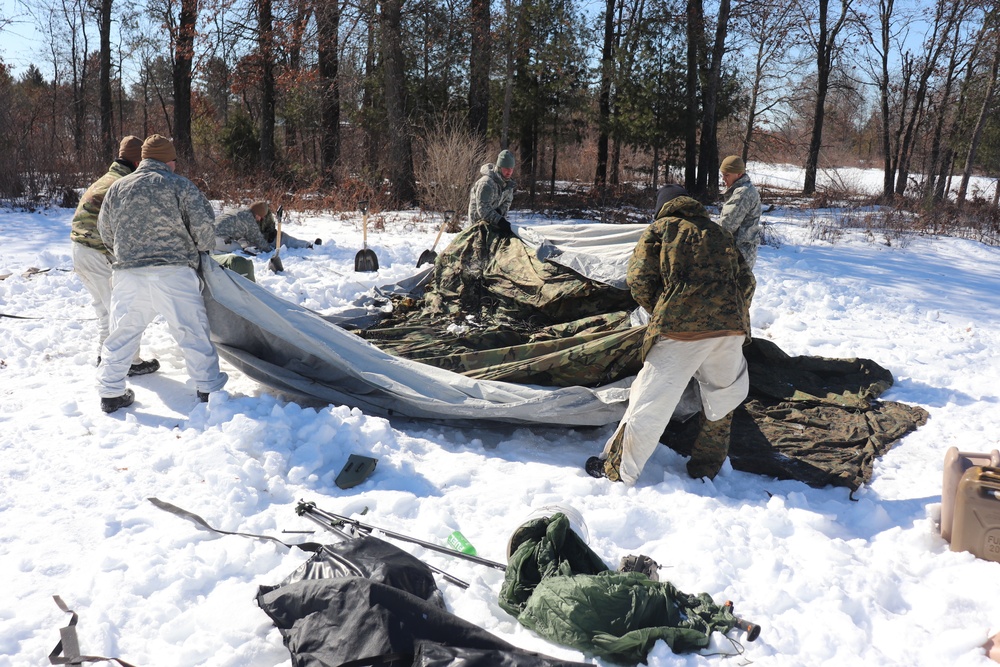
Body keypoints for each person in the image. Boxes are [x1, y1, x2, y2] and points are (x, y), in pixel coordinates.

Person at [586, 184, 755, 484]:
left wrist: (663, 308)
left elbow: (637, 279)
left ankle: (618, 470)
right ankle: (705, 469)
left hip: (680, 331)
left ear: (663, 206)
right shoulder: (719, 233)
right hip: (730, 328)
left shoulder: (660, 230)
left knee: (649, 402)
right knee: (723, 398)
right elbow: (747, 281)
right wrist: (732, 314)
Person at [96, 134, 228, 413]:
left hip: (129, 274)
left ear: (142, 159)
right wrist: (197, 252)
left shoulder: (118, 188)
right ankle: (209, 390)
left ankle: (110, 393)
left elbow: (105, 231)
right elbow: (204, 231)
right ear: (170, 161)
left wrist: (128, 254)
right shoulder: (181, 185)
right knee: (191, 331)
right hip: (174, 272)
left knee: (122, 333)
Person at [70, 136, 159, 377]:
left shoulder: (107, 178)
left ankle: (104, 356)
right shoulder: (125, 183)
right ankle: (128, 361)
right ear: (137, 159)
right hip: (98, 252)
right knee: (124, 310)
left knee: (106, 310)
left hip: (81, 250)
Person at [718, 155, 762, 270]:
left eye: (727, 175)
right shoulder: (741, 190)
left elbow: (727, 225)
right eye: (722, 175)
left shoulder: (743, 193)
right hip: (739, 252)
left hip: (740, 255)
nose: (723, 179)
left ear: (739, 174)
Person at [468, 149, 516, 233]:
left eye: (511, 168)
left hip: (493, 225)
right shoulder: (486, 183)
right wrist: (499, 221)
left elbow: (507, 202)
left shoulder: (508, 184)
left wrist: (500, 212)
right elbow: (482, 209)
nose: (509, 172)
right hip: (478, 227)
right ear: (499, 167)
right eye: (506, 168)